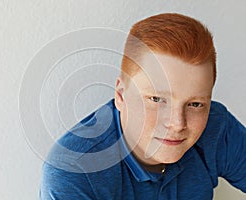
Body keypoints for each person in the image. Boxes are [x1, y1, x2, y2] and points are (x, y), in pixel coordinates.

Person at [40, 13, 246, 199]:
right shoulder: (74, 171)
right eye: (156, 99)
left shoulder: (217, 127)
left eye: (195, 104)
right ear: (120, 95)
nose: (176, 123)